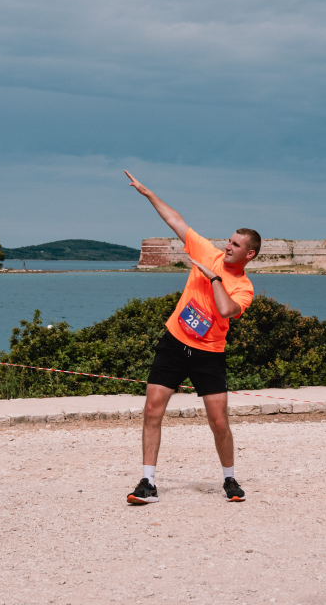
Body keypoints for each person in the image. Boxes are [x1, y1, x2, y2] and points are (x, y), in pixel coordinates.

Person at [123, 170, 260, 504]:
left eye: (236, 245)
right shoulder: (207, 251)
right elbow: (176, 220)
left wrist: (214, 278)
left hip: (209, 353)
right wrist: (148, 193)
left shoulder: (243, 287)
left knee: (218, 421)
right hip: (173, 343)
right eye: (229, 241)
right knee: (152, 411)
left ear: (249, 254)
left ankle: (229, 480)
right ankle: (147, 482)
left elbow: (226, 311)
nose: (228, 246)